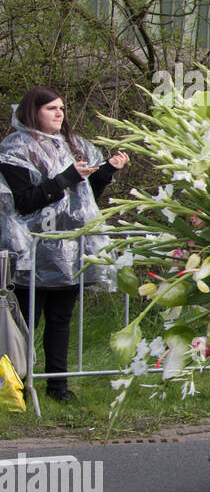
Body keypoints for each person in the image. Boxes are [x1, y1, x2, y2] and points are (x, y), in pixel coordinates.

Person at [0, 86, 128, 401]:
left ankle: (58, 386)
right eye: (51, 109)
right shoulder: (15, 149)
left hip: (69, 251)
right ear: (33, 111)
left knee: (61, 320)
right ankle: (17, 386)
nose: (59, 113)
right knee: (25, 322)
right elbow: (25, 202)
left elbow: (83, 201)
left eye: (61, 108)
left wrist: (107, 171)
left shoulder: (73, 146)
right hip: (30, 253)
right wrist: (68, 177)